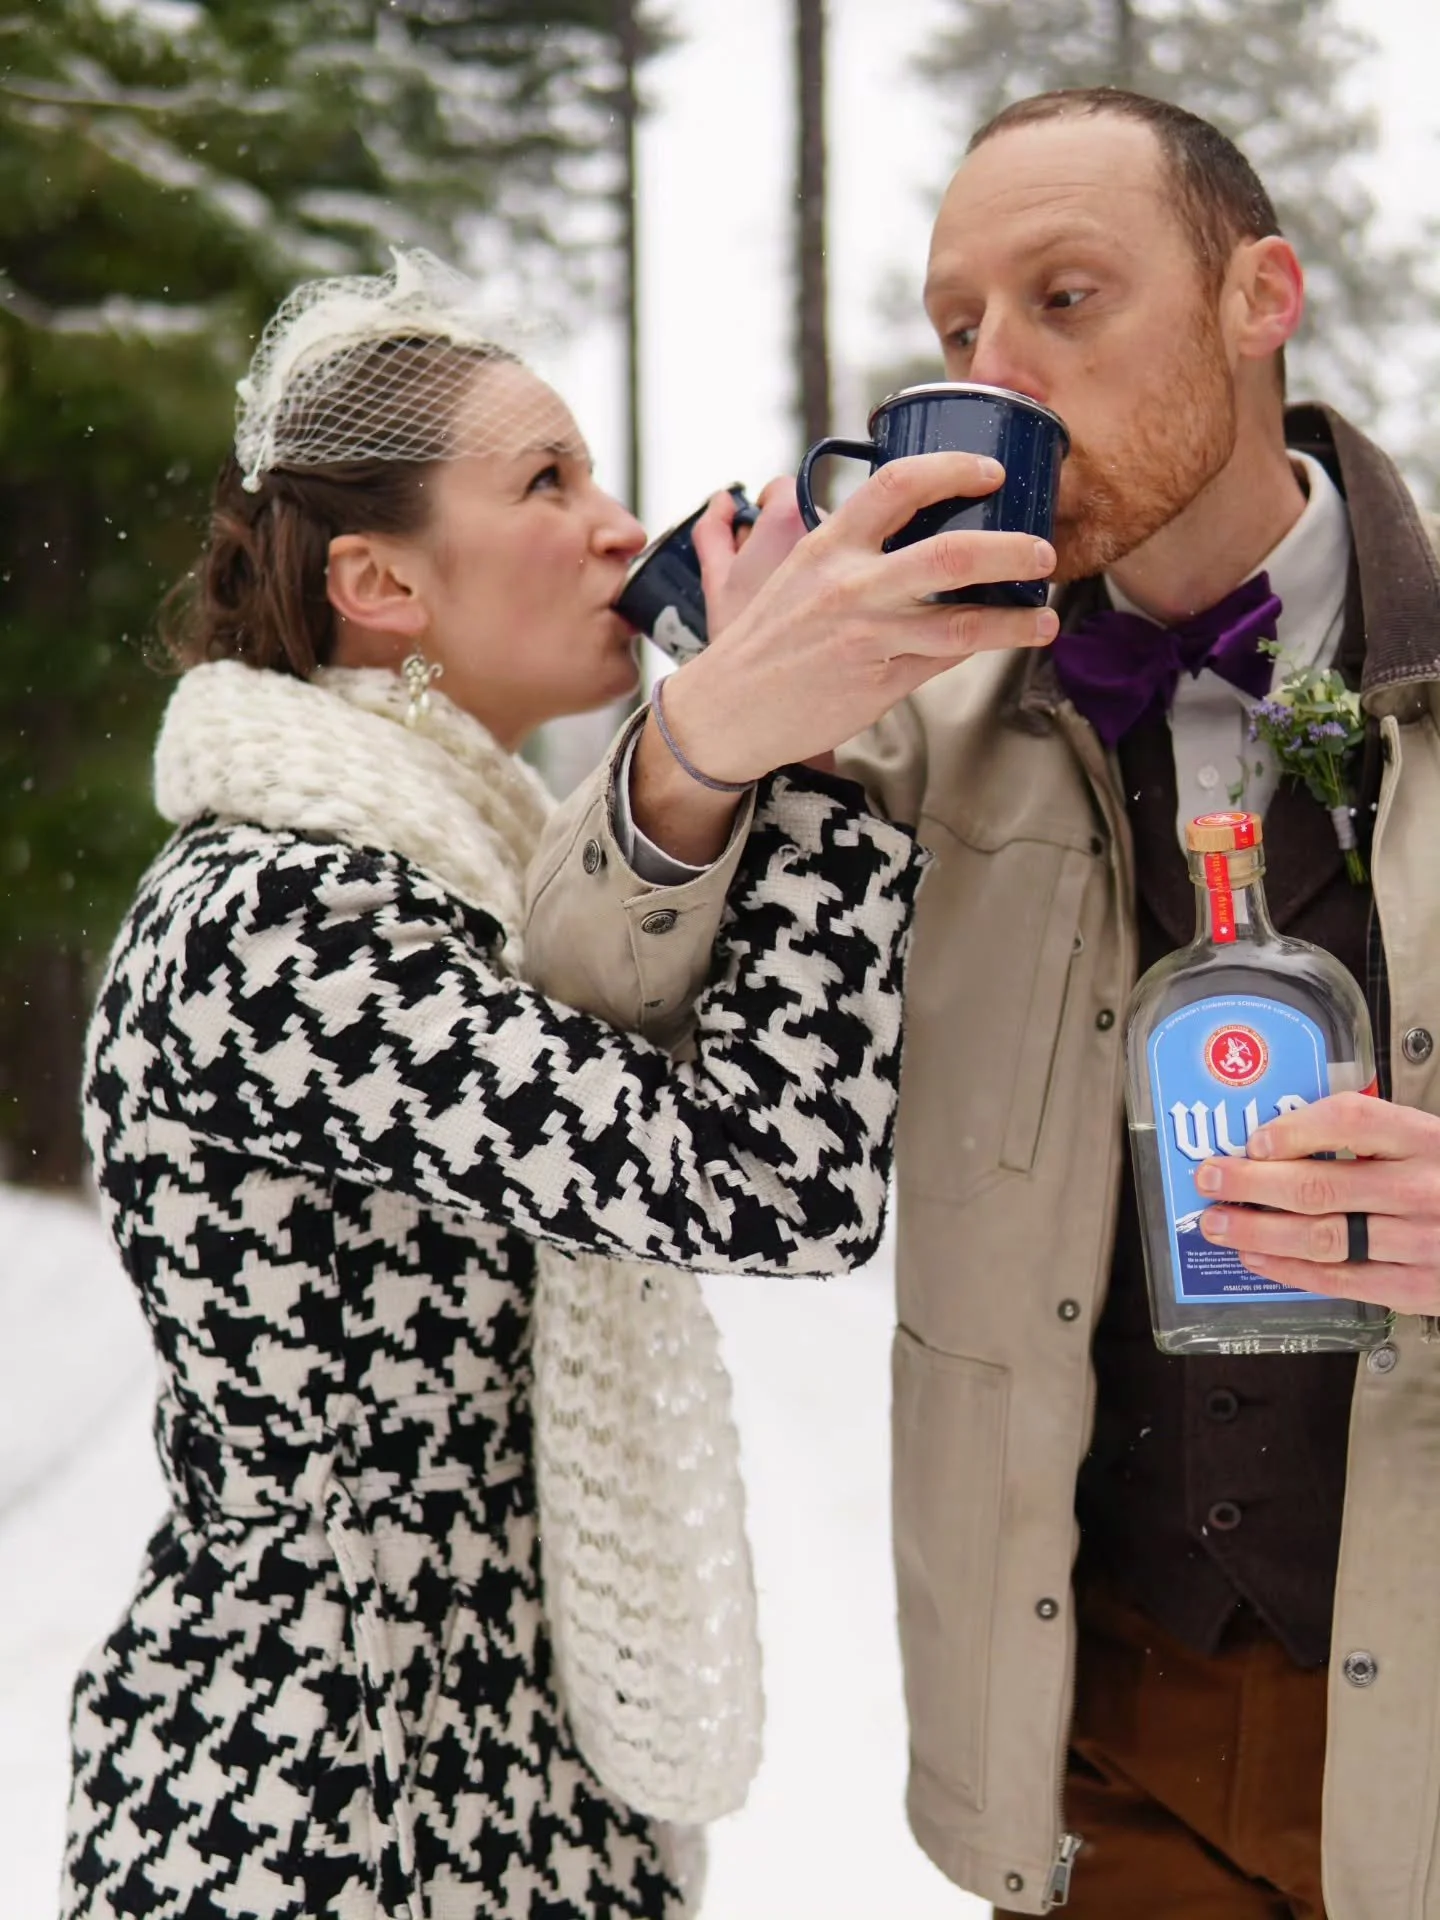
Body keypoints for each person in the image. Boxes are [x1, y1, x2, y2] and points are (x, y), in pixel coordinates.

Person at [523, 94, 1440, 1919]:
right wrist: (717, 724)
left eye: (1069, 300)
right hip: (1106, 1742)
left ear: (1264, 296)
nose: (999, 375)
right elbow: (581, 1002)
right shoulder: (899, 721)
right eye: (960, 334)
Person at [60, 249, 1058, 1920]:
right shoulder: (276, 920)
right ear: (380, 583)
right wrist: (797, 746)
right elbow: (763, 1181)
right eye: (546, 478)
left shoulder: (466, 877)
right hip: (316, 1820)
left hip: (501, 1788)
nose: (619, 524)